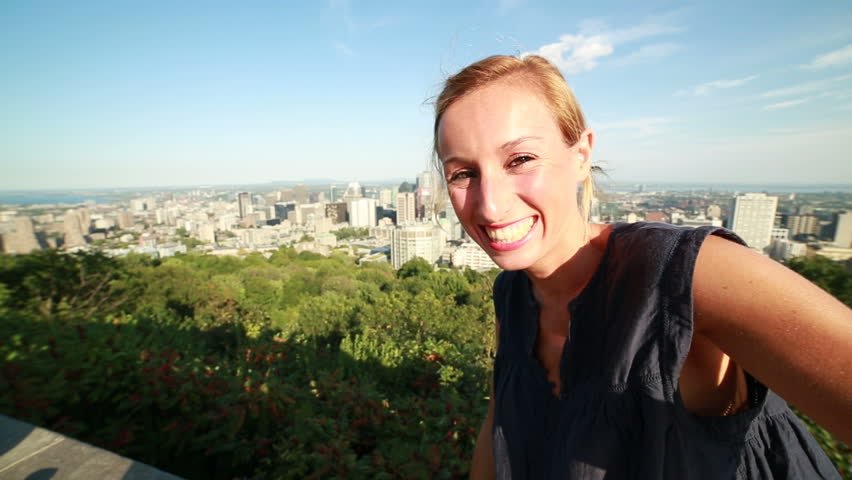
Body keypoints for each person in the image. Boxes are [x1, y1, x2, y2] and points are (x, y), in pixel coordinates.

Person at [432, 54, 852, 479]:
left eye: (520, 159)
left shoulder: (683, 274)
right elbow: (498, 425)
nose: (490, 204)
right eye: (463, 173)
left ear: (580, 154)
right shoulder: (513, 295)